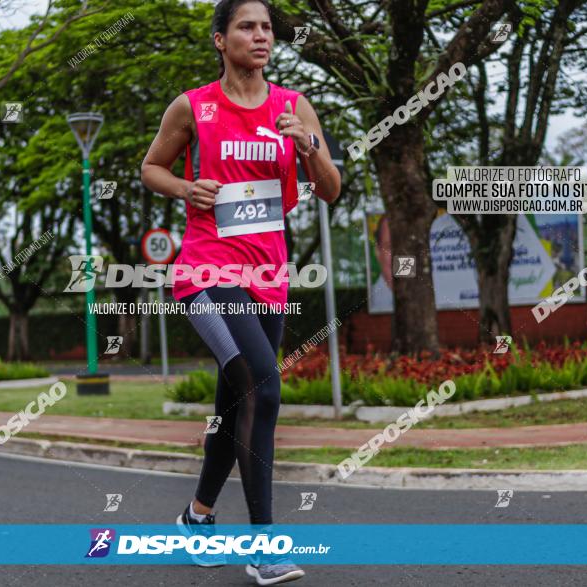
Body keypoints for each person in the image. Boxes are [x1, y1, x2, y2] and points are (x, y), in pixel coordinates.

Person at [140, 0, 340, 583]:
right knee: (263, 385)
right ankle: (264, 543)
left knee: (238, 400)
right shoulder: (194, 107)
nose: (260, 37)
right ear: (220, 40)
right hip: (206, 272)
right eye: (247, 27)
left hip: (268, 277)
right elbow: (150, 167)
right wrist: (185, 188)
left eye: (267, 28)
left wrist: (307, 146)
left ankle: (196, 519)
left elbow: (330, 189)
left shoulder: (293, 108)